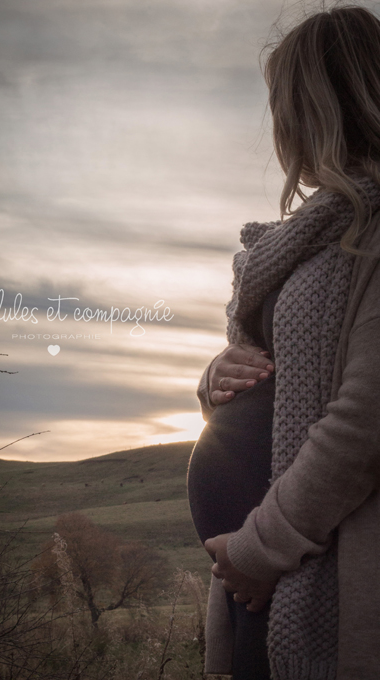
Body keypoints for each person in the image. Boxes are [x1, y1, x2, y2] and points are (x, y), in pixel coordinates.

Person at [187, 6, 380, 680]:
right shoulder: (295, 244)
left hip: (310, 561)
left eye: (281, 100)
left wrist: (259, 549)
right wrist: (215, 378)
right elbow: (269, 369)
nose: (276, 123)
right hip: (250, 559)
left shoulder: (372, 231)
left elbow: (363, 422)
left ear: (317, 100)